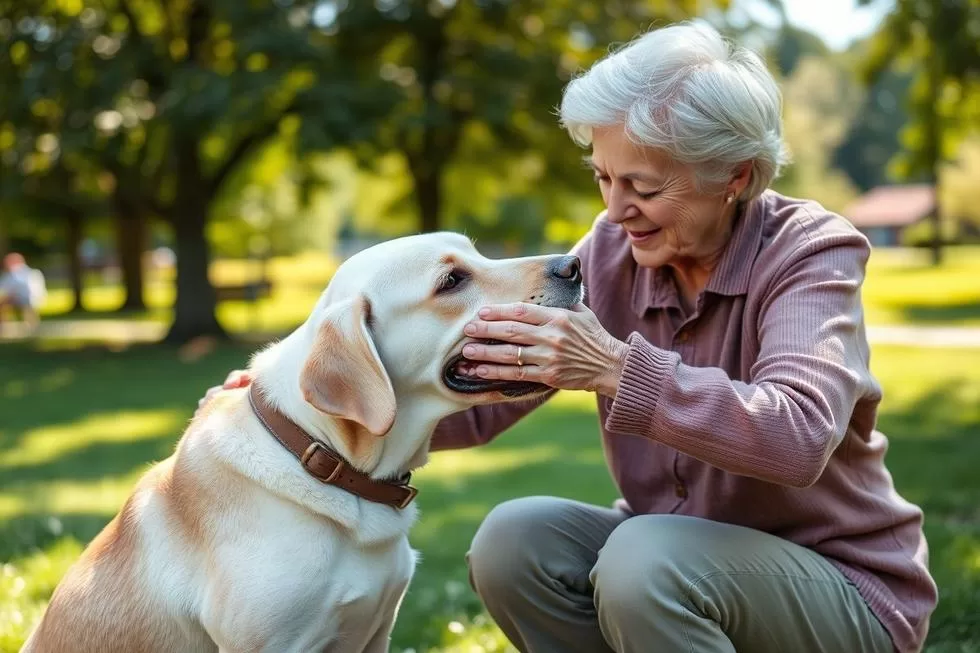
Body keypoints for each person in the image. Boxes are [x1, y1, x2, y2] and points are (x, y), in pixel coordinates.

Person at [199, 20, 937, 653]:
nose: (617, 211)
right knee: (513, 539)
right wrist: (302, 412)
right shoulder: (615, 250)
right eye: (602, 178)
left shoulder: (811, 251)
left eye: (644, 187)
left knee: (643, 559)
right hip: (674, 554)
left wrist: (617, 367)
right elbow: (488, 384)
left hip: (840, 585)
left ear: (736, 176)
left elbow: (799, 435)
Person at [0, 252, 46, 331]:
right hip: (34, 298)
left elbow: (7, 288)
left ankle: (3, 326)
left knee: (3, 303)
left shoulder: (15, 272)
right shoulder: (32, 272)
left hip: (25, 298)